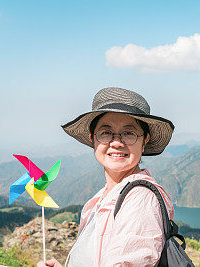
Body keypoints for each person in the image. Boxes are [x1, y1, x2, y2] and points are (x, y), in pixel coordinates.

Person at [37, 87, 175, 267]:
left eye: (129, 133)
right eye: (106, 133)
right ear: (93, 139)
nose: (117, 142)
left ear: (145, 140)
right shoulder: (101, 198)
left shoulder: (141, 199)